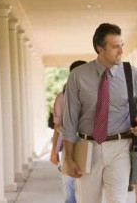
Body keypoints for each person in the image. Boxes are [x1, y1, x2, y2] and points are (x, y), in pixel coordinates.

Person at [59, 23, 137, 203]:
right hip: (86, 147)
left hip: (120, 146)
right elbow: (69, 120)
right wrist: (68, 158)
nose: (121, 51)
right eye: (115, 46)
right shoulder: (78, 76)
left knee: (117, 200)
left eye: (122, 45)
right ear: (100, 48)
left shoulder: (132, 74)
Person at [50, 60, 86, 203]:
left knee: (87, 180)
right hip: (68, 142)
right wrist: (54, 150)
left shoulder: (95, 93)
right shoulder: (62, 97)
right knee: (68, 180)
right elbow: (58, 126)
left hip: (89, 141)